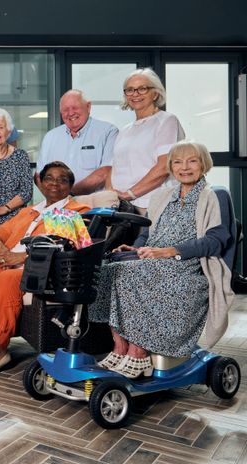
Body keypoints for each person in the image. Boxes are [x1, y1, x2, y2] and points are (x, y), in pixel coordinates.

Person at [90, 141, 233, 379]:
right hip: (152, 261)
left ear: (203, 164)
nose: (184, 167)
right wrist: (136, 249)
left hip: (188, 267)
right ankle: (120, 346)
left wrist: (170, 251)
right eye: (177, 161)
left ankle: (138, 352)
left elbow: (216, 240)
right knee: (106, 271)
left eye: (192, 161)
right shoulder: (163, 196)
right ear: (171, 166)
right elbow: (147, 234)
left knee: (132, 274)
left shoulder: (214, 195)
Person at [0, 162, 90, 375]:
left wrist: (21, 256)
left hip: (42, 271)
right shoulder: (28, 211)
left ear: (70, 186)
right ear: (40, 183)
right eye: (49, 178)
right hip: (7, 263)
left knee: (7, 279)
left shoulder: (77, 211)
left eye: (63, 180)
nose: (55, 184)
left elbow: (68, 248)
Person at [107, 68, 185, 213]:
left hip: (152, 204)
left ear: (155, 93)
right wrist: (110, 195)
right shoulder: (125, 130)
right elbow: (113, 168)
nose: (135, 94)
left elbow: (164, 167)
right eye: (129, 90)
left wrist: (129, 194)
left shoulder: (166, 121)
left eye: (142, 89)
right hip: (123, 206)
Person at [37, 90, 118, 195]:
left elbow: (106, 172)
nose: (70, 113)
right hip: (57, 207)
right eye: (65, 109)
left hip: (92, 205)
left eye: (75, 108)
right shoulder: (50, 136)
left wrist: (68, 195)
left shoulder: (108, 132)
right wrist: (52, 198)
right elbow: (39, 175)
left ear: (88, 107)